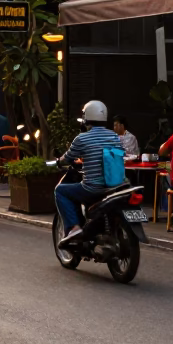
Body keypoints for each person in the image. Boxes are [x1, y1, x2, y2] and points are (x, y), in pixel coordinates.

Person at [56, 101, 123, 248]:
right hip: (115, 186)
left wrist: (58, 162)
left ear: (87, 117)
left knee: (60, 191)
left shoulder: (82, 138)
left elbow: (68, 158)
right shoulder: (114, 136)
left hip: (93, 188)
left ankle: (74, 228)